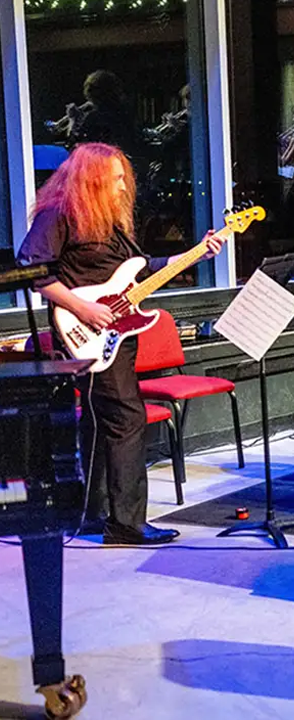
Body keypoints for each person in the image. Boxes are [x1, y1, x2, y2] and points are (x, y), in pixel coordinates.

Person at [17, 143, 225, 545]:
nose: (123, 186)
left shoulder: (109, 223)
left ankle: (89, 513)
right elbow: (33, 269)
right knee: (126, 418)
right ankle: (127, 524)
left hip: (118, 336)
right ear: (92, 181)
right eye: (115, 179)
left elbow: (142, 271)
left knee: (99, 422)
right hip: (85, 331)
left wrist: (197, 254)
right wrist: (82, 307)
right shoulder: (58, 214)